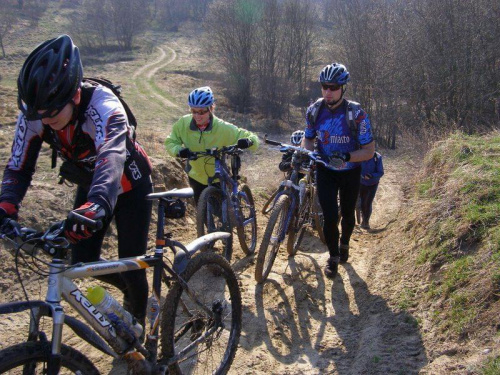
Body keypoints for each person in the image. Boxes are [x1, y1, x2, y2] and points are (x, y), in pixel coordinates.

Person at [0, 35, 153, 328]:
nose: (43, 121)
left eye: (51, 113)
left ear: (75, 96)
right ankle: (127, 290)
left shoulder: (104, 105)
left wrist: (96, 204)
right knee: (81, 263)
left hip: (130, 185)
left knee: (132, 264)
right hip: (93, 183)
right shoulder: (39, 110)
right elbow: (18, 168)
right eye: (37, 113)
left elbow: (111, 154)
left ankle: (138, 328)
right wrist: (6, 206)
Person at [302, 62, 375, 278]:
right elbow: (308, 140)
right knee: (330, 216)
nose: (328, 91)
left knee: (347, 214)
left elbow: (369, 151)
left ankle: (345, 243)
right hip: (325, 170)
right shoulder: (314, 110)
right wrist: (309, 155)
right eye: (324, 86)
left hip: (351, 171)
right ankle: (333, 256)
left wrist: (347, 156)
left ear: (343, 88)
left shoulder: (356, 114)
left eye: (333, 87)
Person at [165, 86, 259, 204]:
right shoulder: (183, 124)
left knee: (224, 215)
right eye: (194, 111)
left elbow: (252, 137)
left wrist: (249, 141)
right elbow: (170, 141)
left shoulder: (222, 128)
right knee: (203, 217)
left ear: (211, 108)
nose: (197, 116)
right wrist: (178, 150)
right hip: (196, 176)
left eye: (201, 112)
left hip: (218, 176)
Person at [359, 151, 384, 230]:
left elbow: (381, 172)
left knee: (368, 202)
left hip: (373, 183)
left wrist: (372, 175)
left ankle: (366, 221)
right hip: (361, 183)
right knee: (363, 202)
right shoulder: (358, 155)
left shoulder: (377, 157)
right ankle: (363, 219)